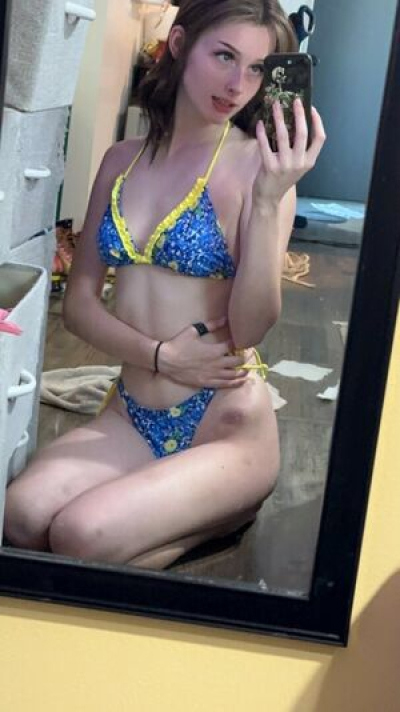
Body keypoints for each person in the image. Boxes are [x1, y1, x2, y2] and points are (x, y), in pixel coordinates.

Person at [4, 0, 325, 569]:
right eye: (223, 56)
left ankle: (220, 517)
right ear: (179, 44)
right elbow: (78, 306)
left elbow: (251, 328)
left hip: (225, 426)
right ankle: (164, 526)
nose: (237, 83)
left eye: (256, 68)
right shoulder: (120, 160)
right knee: (21, 517)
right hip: (131, 412)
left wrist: (268, 202)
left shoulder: (259, 170)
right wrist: (160, 355)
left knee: (80, 535)